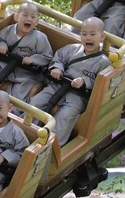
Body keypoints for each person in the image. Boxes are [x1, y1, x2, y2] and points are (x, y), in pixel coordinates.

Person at [30, 17, 111, 147]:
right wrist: (57, 68)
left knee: (65, 117)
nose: (88, 38)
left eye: (93, 34)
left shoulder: (103, 62)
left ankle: (52, 145)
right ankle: (28, 132)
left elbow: (101, 82)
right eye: (84, 34)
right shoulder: (72, 49)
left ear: (102, 36)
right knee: (35, 102)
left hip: (77, 96)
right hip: (57, 86)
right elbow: (59, 58)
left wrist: (85, 81)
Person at [0, 3, 53, 105]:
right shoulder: (8, 31)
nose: (29, 19)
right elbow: (0, 40)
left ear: (36, 21)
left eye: (33, 17)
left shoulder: (40, 38)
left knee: (21, 92)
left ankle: (12, 111)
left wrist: (33, 59)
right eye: (25, 15)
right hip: (5, 64)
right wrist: (2, 44)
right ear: (16, 17)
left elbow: (47, 57)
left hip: (26, 73)